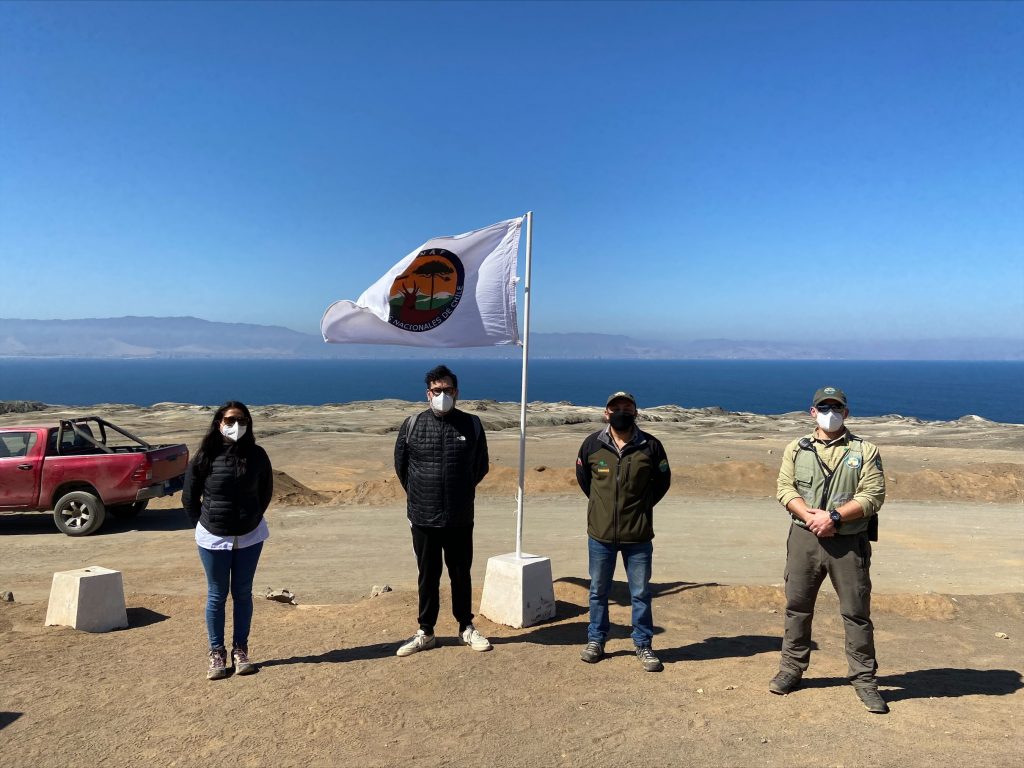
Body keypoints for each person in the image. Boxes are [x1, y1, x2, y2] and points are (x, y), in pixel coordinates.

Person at [770, 386, 888, 713]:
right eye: (824, 407)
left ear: (846, 413)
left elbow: (873, 494)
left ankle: (864, 680)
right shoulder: (797, 448)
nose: (830, 413)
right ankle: (791, 669)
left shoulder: (865, 451)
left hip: (848, 542)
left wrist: (833, 517)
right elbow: (784, 488)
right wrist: (809, 516)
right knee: (797, 606)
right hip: (804, 538)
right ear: (813, 412)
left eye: (837, 407)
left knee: (856, 612)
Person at [393, 364, 491, 656]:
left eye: (447, 390)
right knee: (428, 574)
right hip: (423, 516)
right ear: (428, 394)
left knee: (461, 573)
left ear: (456, 392)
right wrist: (422, 493)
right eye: (437, 390)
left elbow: (480, 466)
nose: (442, 395)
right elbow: (402, 467)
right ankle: (426, 631)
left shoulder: (472, 424)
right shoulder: (412, 425)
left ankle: (466, 628)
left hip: (460, 516)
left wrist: (459, 490)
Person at [575, 391, 671, 672]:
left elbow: (662, 482)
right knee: (598, 590)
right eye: (615, 408)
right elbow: (585, 481)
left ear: (635, 413)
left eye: (626, 407)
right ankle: (596, 640)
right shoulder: (592, 445)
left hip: (638, 535)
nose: (621, 412)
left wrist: (641, 506)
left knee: (640, 593)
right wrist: (602, 508)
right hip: (600, 534)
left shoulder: (651, 446)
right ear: (606, 413)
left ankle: (643, 644)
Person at [182, 401, 273, 681]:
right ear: (219, 422)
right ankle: (216, 653)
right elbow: (189, 497)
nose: (237, 426)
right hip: (213, 537)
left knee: (243, 593)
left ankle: (241, 650)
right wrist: (206, 522)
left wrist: (250, 517)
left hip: (250, 535)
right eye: (231, 420)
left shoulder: (257, 455)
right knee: (217, 595)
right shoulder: (205, 457)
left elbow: (266, 492)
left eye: (243, 420)